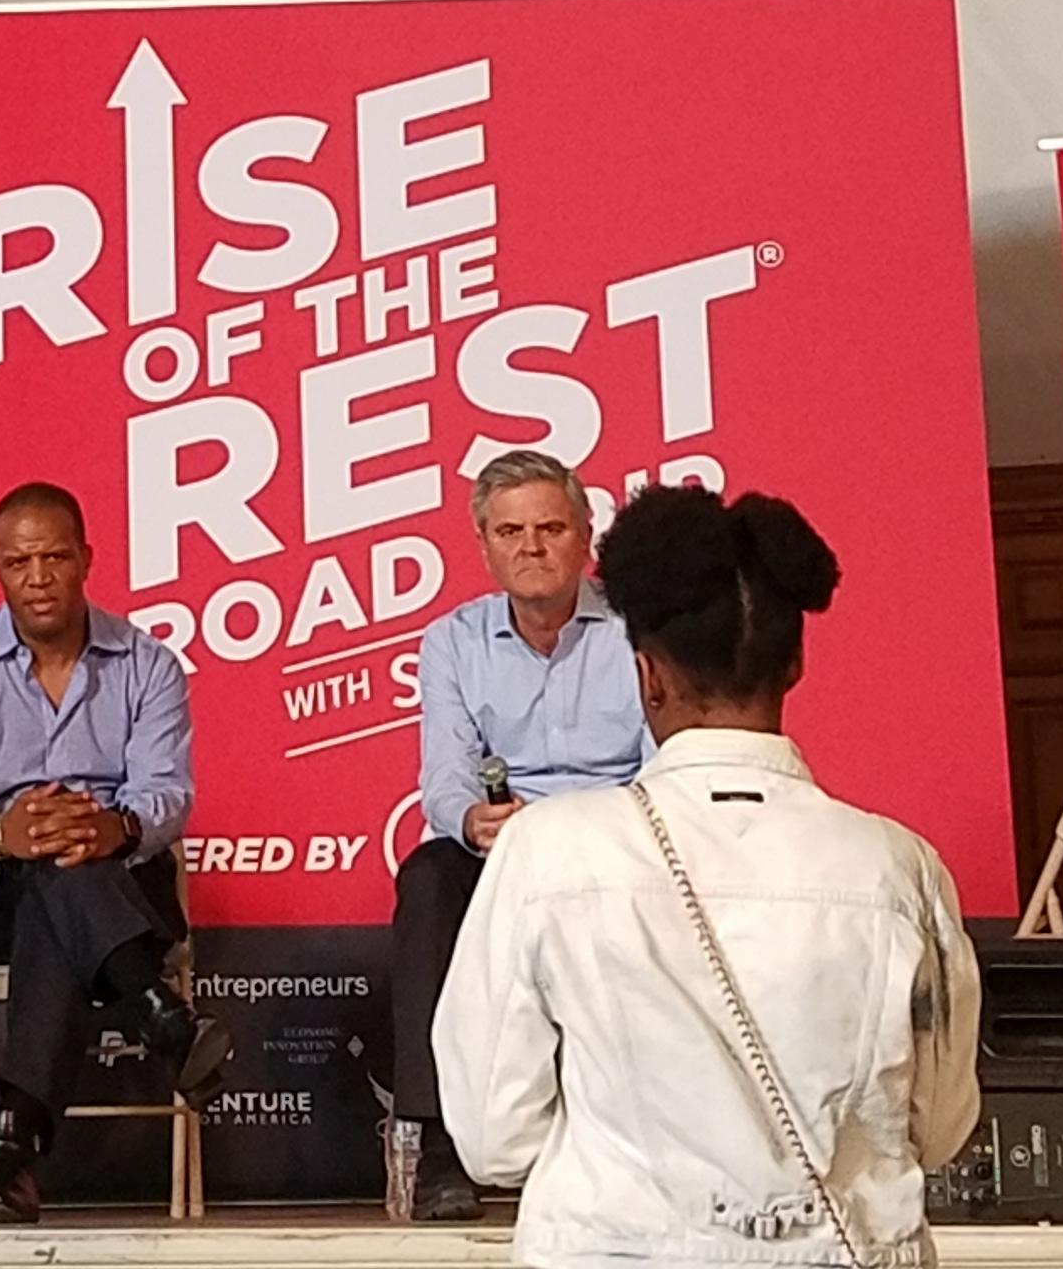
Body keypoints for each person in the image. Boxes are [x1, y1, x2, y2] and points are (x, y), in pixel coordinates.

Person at [434, 484, 979, 1269]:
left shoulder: (548, 853)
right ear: (793, 664)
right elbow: (940, 1128)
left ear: (647, 675)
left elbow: (495, 1137)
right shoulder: (900, 865)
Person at [0, 480, 234, 1223]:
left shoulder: (147, 665)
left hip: (117, 877)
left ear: (87, 558)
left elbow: (166, 793)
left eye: (54, 557)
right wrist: (2, 833)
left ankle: (12, 1153)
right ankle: (159, 1015)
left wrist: (110, 828)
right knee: (45, 871)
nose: (38, 578)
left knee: (64, 879)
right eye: (19, 562)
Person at [390, 449, 650, 1221]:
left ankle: (642, 1150)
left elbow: (660, 769)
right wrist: (472, 819)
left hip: (613, 855)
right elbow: (444, 776)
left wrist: (576, 829)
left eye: (548, 528)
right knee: (430, 878)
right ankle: (439, 1146)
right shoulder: (453, 642)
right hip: (501, 858)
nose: (530, 547)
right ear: (484, 546)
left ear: (584, 537)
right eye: (510, 532)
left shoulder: (638, 630)